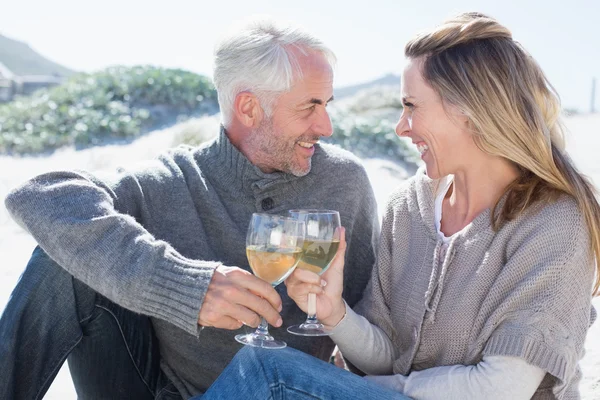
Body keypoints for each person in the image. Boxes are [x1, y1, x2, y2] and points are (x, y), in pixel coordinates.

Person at [200, 12, 600, 400]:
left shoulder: (554, 224)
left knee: (268, 372)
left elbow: (501, 389)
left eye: (412, 105)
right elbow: (388, 357)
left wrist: (379, 390)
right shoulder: (408, 208)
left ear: (471, 112)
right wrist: (335, 313)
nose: (401, 127)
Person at [0, 18, 380, 399]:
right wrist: (185, 287)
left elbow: (372, 343)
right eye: (310, 106)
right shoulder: (171, 179)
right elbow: (40, 195)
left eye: (326, 104)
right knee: (60, 258)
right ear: (248, 107)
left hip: (285, 390)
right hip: (159, 389)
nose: (326, 126)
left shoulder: (344, 182)